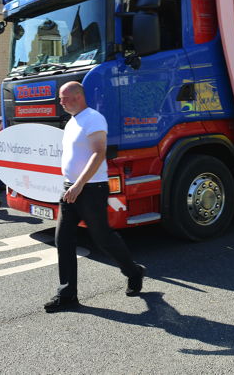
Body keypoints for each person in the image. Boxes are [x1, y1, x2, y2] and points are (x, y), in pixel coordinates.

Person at [44, 82, 145, 313]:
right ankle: (67, 294)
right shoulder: (72, 122)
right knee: (63, 240)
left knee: (102, 238)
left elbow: (99, 153)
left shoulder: (94, 118)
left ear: (78, 96)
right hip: (71, 188)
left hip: (90, 189)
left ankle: (133, 271)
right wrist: (71, 184)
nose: (60, 102)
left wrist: (79, 185)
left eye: (63, 98)